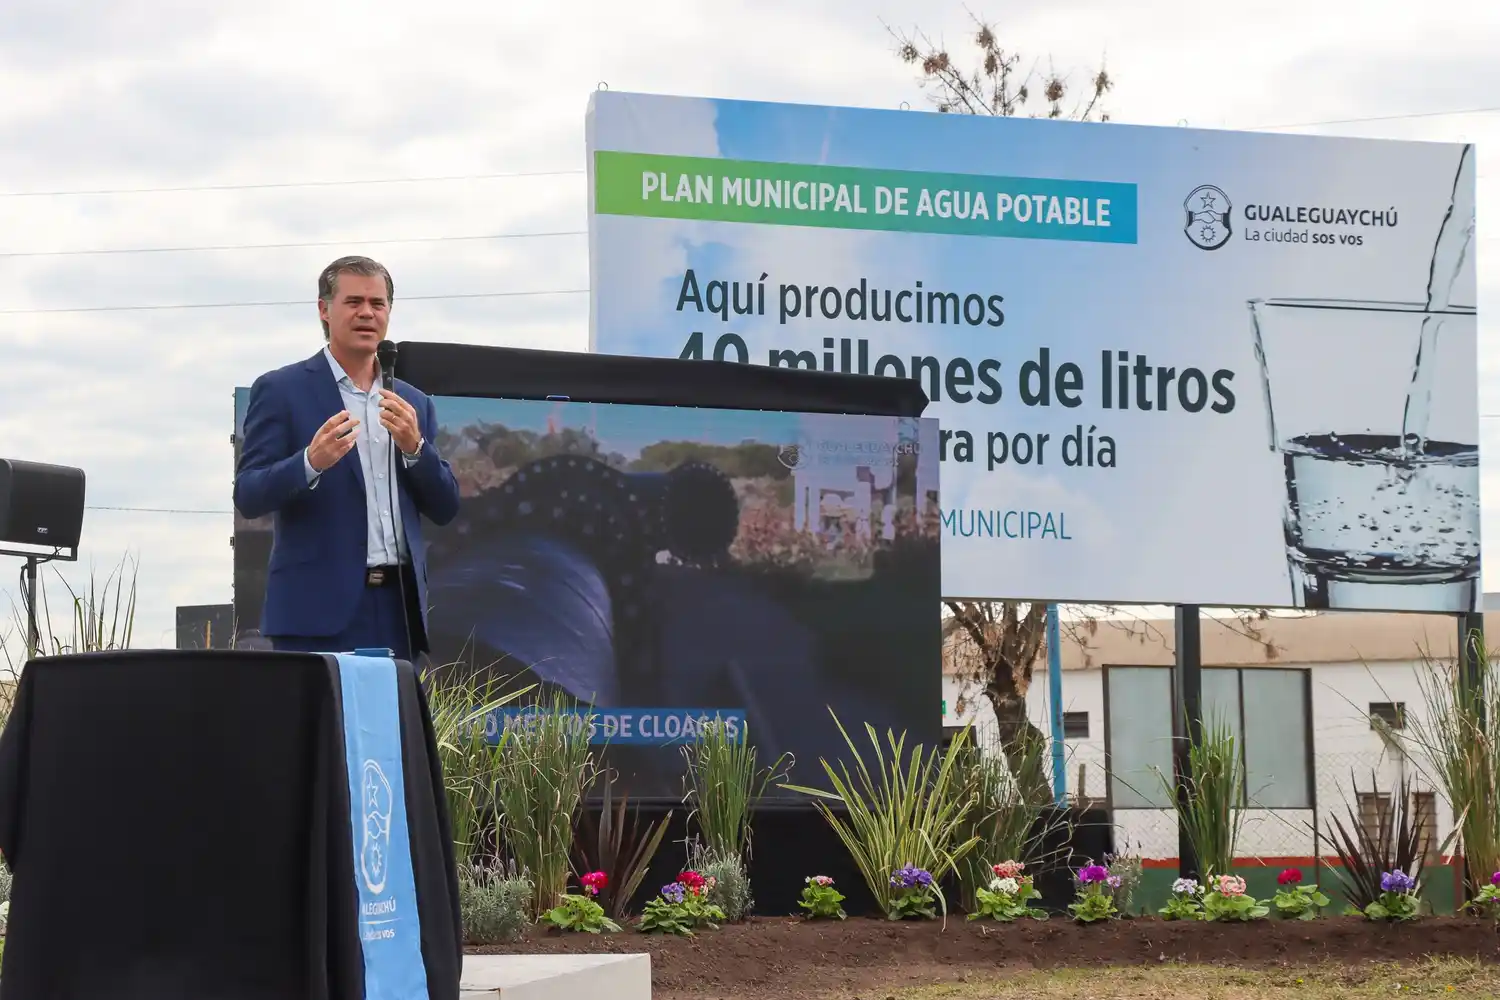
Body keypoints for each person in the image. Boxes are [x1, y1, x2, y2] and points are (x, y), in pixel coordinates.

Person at [233, 256, 460, 662]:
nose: (367, 313)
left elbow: (446, 506)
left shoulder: (413, 403)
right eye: (354, 302)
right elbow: (249, 494)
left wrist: (415, 449)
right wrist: (310, 461)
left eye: (378, 303)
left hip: (398, 610)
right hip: (314, 613)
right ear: (324, 309)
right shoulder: (281, 390)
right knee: (322, 726)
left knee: (391, 725)